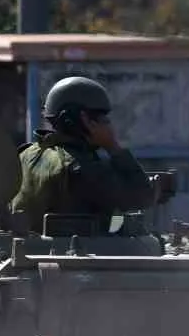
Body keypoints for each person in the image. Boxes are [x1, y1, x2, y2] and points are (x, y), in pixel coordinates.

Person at [10, 76, 155, 233]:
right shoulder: (81, 167)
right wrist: (113, 146)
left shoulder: (25, 154)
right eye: (101, 119)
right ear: (82, 120)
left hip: (29, 249)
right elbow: (143, 196)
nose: (107, 125)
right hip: (73, 252)